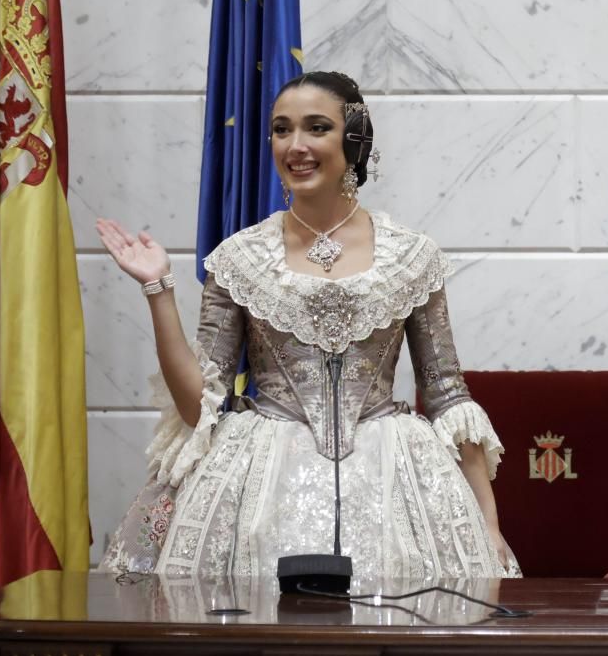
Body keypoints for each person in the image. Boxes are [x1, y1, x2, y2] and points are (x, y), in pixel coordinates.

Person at [97, 71, 518, 583]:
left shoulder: (413, 256)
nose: (295, 146)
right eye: (281, 129)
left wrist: (488, 527)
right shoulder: (239, 258)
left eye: (316, 127)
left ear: (355, 137)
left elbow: (449, 396)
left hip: (393, 481)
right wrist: (158, 288)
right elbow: (197, 403)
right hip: (258, 482)